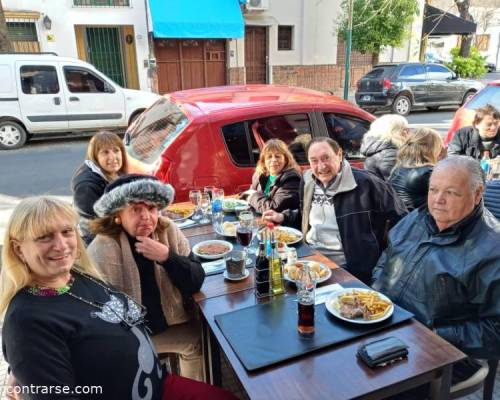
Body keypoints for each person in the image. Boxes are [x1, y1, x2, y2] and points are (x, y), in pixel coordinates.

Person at [0, 196, 235, 400]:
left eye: (66, 231)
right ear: (19, 249)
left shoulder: (80, 275)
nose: (61, 245)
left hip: (156, 384)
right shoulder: (26, 320)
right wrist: (22, 365)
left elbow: (194, 277)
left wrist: (168, 257)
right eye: (44, 237)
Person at [372, 156, 500, 389]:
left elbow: (496, 330)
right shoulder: (418, 218)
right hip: (385, 326)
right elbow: (387, 256)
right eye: (434, 189)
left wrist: (434, 334)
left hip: (446, 352)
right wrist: (376, 290)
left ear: (478, 193)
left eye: (451, 192)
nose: (438, 200)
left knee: (369, 388)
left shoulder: (493, 248)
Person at [88, 174, 205, 382]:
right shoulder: (103, 248)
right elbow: (98, 310)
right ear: (117, 215)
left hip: (169, 321)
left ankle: (187, 389)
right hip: (127, 335)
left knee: (206, 331)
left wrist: (167, 257)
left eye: (151, 209)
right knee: (195, 341)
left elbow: (196, 278)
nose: (146, 217)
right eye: (135, 209)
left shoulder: (167, 229)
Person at [262, 137, 406, 284]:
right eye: (314, 161)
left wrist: (385, 267)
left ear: (339, 155)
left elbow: (403, 224)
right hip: (309, 256)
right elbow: (306, 215)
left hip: (346, 268)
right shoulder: (307, 180)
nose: (321, 166)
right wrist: (283, 216)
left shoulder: (368, 183)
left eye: (326, 158)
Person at [71, 131, 127, 245]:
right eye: (105, 152)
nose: (113, 157)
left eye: (116, 150)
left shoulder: (115, 173)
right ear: (95, 157)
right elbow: (93, 226)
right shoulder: (86, 186)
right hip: (97, 240)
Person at [240, 139, 301, 214]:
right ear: (264, 161)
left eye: (277, 156)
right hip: (258, 218)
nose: (274, 160)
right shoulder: (259, 175)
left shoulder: (291, 179)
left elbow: (273, 208)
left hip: (280, 224)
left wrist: (251, 197)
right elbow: (249, 194)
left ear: (285, 159)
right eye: (269, 157)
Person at [389, 128, 444, 211]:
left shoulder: (399, 168)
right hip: (418, 220)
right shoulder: (427, 173)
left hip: (403, 219)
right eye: (440, 146)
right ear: (433, 148)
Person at [360, 114, 410, 180]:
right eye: (406, 129)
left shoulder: (376, 148)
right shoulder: (390, 154)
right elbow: (398, 183)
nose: (408, 132)